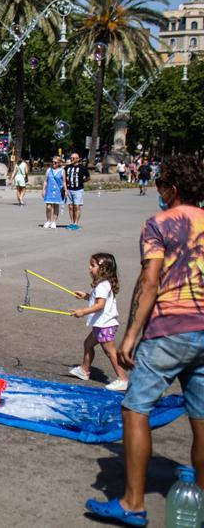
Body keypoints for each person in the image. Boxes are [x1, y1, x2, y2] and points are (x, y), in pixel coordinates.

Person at [85, 156, 204, 526]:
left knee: (135, 408)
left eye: (160, 186)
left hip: (170, 328)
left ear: (170, 188)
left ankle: (132, 503)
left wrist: (131, 335)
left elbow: (150, 282)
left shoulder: (158, 224)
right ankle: (200, 497)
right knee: (202, 418)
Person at [67, 253, 128, 391]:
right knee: (88, 344)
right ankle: (84, 370)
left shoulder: (102, 285)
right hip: (101, 323)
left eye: (93, 265)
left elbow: (100, 305)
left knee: (110, 352)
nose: (89, 268)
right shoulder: (103, 284)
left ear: (103, 269)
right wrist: (86, 296)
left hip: (105, 324)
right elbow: (98, 301)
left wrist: (82, 311)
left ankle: (123, 379)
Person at [64, 152, 90, 230]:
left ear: (78, 159)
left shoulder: (82, 168)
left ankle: (76, 223)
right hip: (69, 189)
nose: (71, 159)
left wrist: (82, 181)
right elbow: (64, 177)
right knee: (70, 207)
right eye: (71, 158)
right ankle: (72, 222)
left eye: (73, 158)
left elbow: (88, 177)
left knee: (77, 206)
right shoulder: (67, 167)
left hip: (78, 190)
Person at [41, 156, 66, 229]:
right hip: (49, 190)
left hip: (58, 191)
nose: (53, 163)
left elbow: (64, 182)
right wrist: (43, 190)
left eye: (55, 162)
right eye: (52, 162)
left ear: (59, 163)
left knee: (56, 206)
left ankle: (54, 222)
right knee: (48, 207)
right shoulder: (49, 170)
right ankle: (48, 221)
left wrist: (66, 190)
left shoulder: (62, 171)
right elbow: (45, 181)